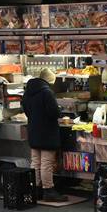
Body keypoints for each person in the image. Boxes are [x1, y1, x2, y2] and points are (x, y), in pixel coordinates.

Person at [22, 67, 63, 202]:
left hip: (33, 130)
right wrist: (59, 111)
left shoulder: (28, 92)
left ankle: (35, 188)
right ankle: (48, 190)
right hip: (47, 133)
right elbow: (54, 113)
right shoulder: (47, 93)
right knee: (46, 163)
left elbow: (25, 109)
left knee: (35, 162)